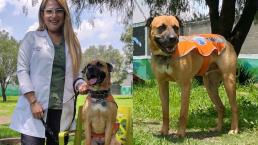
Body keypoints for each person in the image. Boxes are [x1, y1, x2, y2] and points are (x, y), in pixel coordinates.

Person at [10, 0, 87, 144]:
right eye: (49, 11)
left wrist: (81, 85)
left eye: (59, 11)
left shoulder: (73, 44)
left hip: (62, 111)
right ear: (42, 14)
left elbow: (77, 76)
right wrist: (33, 102)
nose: (54, 15)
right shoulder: (31, 38)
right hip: (35, 109)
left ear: (65, 14)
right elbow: (22, 71)